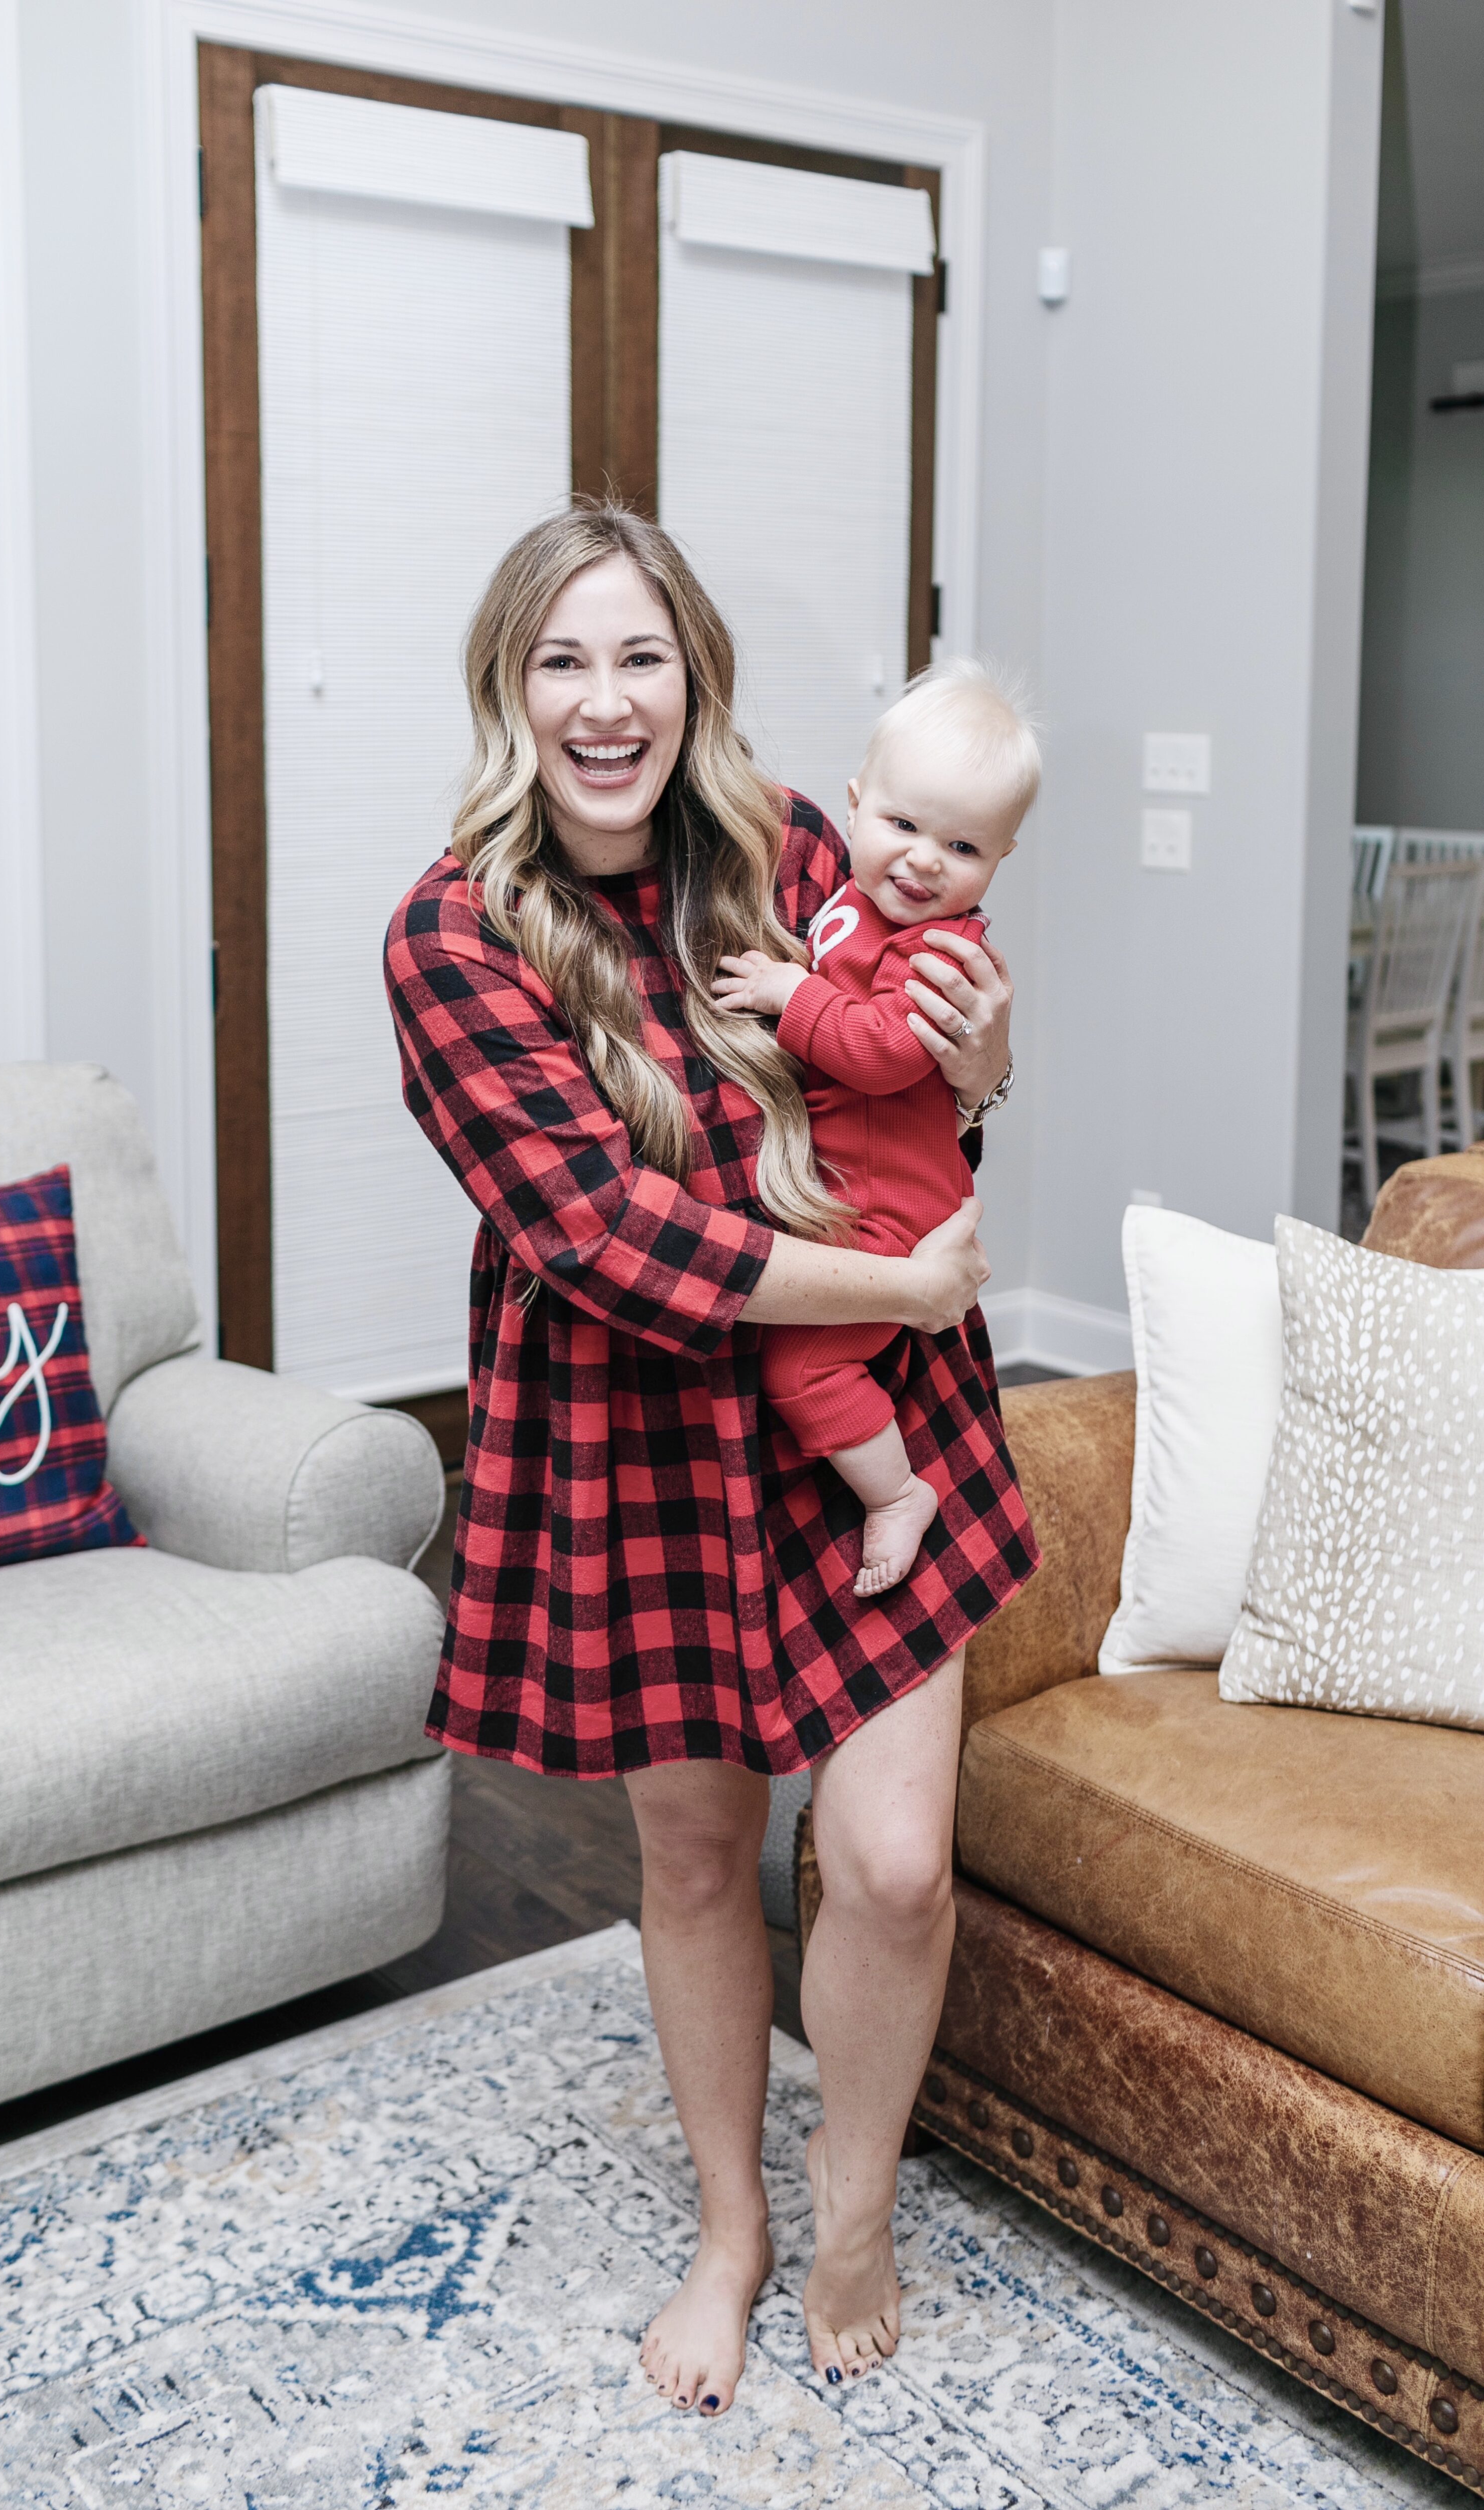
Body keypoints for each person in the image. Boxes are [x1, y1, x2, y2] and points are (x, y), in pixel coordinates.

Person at [383, 504, 1037, 2420]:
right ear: (511, 688)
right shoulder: (451, 936)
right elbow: (610, 1243)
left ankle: (852, 2213)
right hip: (643, 1437)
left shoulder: (800, 851)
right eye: (562, 661)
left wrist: (985, 1070)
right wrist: (900, 1285)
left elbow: (922, 1110)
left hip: (864, 1428)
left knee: (893, 1867)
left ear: (696, 676)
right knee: (691, 1854)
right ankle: (732, 2233)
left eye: (640, 656)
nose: (605, 702)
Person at [712, 664, 1039, 1597]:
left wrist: (790, 994)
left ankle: (897, 1497)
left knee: (804, 1367)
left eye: (962, 845)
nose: (925, 861)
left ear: (999, 859)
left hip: (897, 1205)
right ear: (855, 808)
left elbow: (888, 1052)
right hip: (851, 1185)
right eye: (901, 826)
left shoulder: (944, 947)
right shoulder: (842, 901)